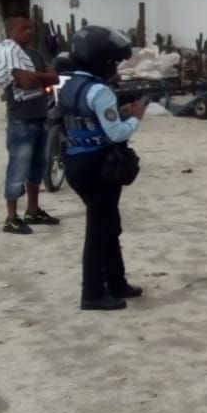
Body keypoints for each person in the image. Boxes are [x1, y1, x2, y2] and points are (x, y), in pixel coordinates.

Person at [59, 25, 146, 311]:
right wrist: (135, 118)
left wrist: (118, 116)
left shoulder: (68, 84)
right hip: (100, 167)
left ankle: (117, 282)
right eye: (113, 61)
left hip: (75, 162)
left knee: (108, 224)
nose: (115, 67)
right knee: (99, 229)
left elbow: (83, 120)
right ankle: (93, 292)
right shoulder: (101, 91)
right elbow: (117, 134)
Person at [0, 13, 62, 235]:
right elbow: (26, 81)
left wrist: (37, 77)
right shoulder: (8, 53)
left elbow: (54, 77)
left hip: (42, 116)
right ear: (11, 31)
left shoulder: (34, 54)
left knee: (38, 167)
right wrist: (41, 78)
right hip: (20, 119)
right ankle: (11, 218)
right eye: (24, 28)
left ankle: (33, 210)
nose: (29, 31)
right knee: (17, 169)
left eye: (31, 28)